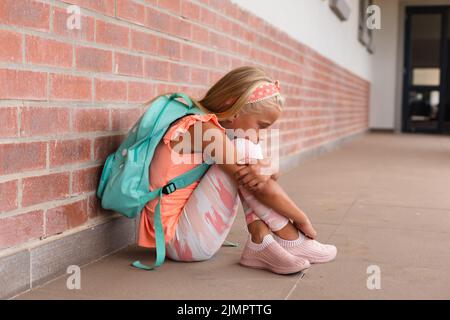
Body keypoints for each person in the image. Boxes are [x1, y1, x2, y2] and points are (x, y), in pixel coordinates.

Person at [138, 66, 337, 275]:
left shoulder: (210, 128)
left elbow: (268, 174)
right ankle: (291, 238)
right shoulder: (202, 130)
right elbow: (260, 188)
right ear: (232, 105)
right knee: (245, 150)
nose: (260, 135)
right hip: (181, 242)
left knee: (247, 152)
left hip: (188, 236)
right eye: (261, 125)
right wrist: (301, 220)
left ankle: (260, 242)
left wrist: (268, 166)